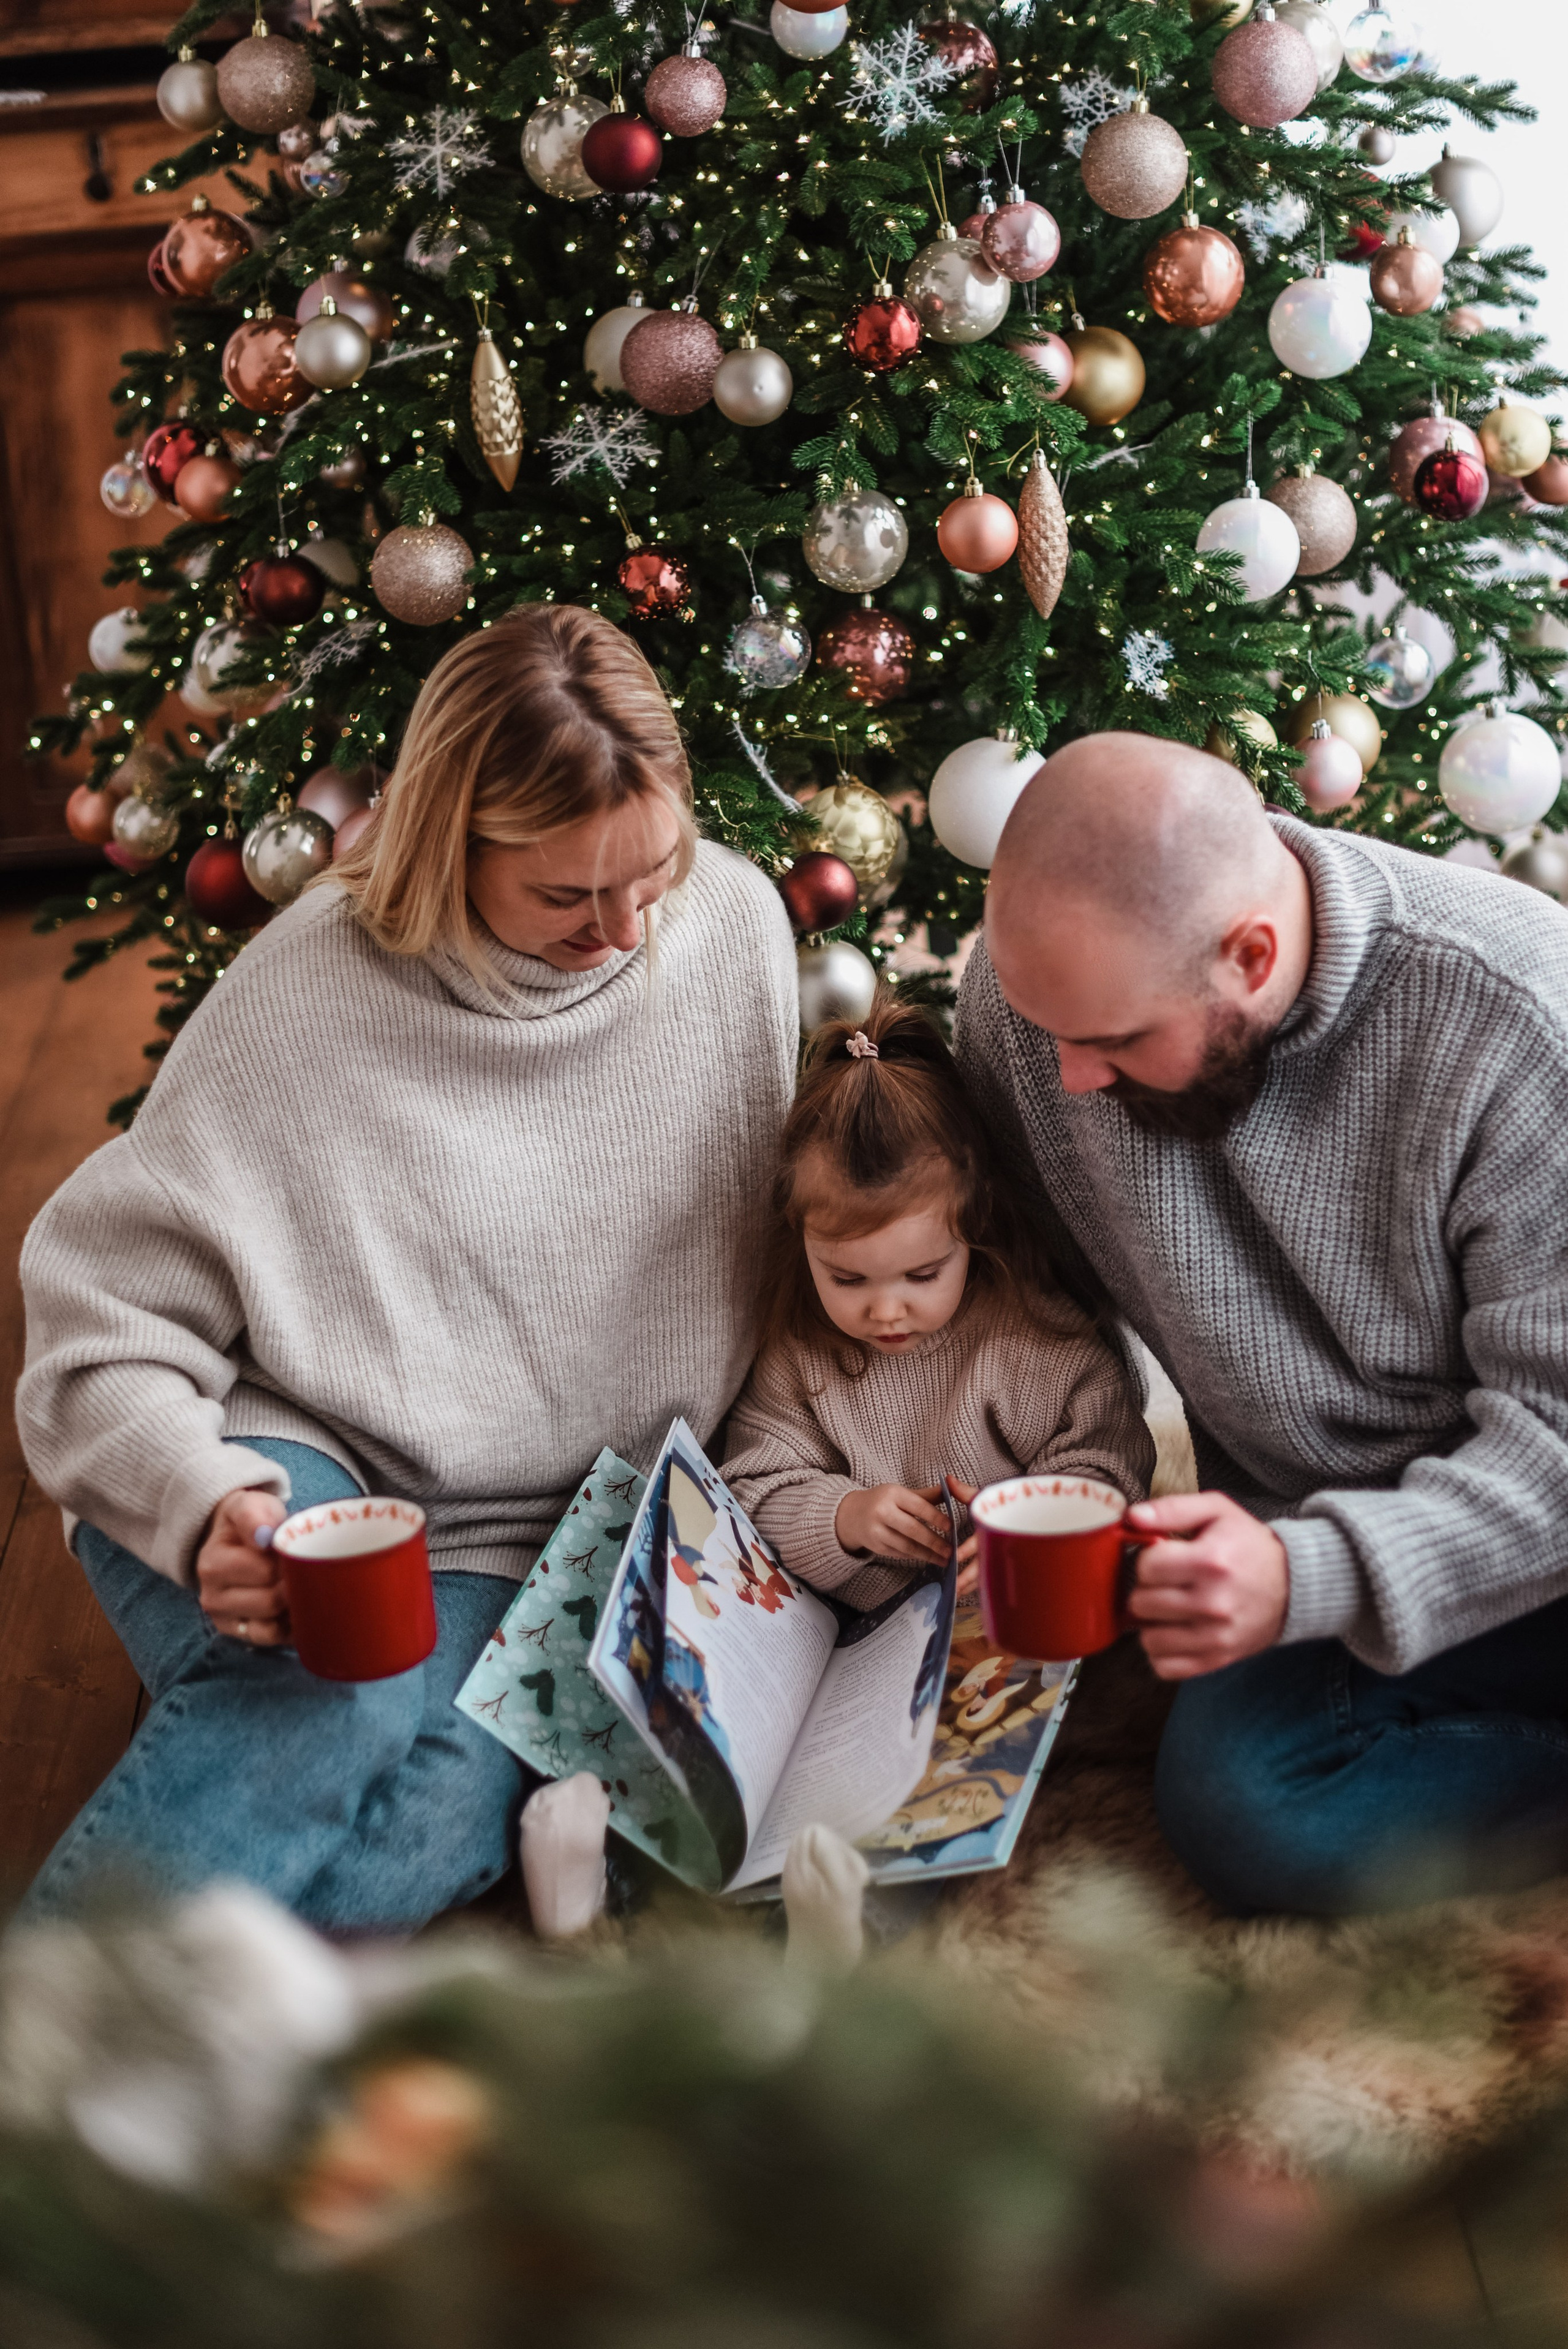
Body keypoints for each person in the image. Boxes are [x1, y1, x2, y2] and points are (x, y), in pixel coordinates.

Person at [16, 604, 797, 1931]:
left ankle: (156, 2046)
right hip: (297, 1464)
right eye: (564, 892)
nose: (621, 929)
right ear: (451, 840)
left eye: (650, 871)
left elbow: (790, 1264)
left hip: (552, 1546)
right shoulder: (308, 990)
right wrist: (206, 1501)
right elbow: (99, 1322)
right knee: (336, 1702)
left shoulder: (731, 935)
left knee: (429, 1816)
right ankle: (40, 2079)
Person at [957, 730, 1568, 1916]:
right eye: (1050, 1033)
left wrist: (1307, 1574)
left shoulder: (1516, 1021)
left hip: (1533, 1525)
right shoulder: (1036, 1008)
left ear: (1249, 954)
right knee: (1250, 1802)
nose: (1071, 1078)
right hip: (1310, 1528)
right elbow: (1038, 1306)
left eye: (1117, 1041)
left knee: (1270, 1812)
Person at [722, 993, 1153, 1610]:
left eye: (922, 1274)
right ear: (802, 1242)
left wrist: (1033, 1523)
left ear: (973, 1227)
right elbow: (750, 1489)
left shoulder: (1033, 1337)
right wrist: (844, 1517)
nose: (886, 1311)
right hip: (858, 1639)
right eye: (847, 1279)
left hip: (1017, 1615)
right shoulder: (800, 1354)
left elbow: (1112, 1464)